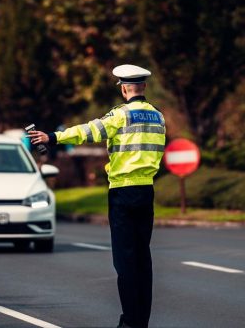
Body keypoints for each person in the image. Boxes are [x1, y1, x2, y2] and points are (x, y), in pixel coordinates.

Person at [28, 64, 166, 328]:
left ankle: (130, 323)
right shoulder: (158, 117)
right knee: (142, 259)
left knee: (125, 261)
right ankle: (141, 321)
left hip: (123, 191)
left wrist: (53, 137)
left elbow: (88, 131)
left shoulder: (120, 115)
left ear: (124, 88)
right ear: (144, 87)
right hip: (146, 190)